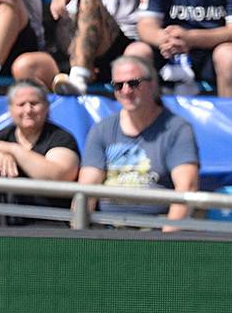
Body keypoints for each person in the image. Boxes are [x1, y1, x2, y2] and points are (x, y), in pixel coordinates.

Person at [77, 55, 200, 226]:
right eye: (118, 85)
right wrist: (78, 235)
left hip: (156, 232)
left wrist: (168, 242)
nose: (126, 91)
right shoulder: (101, 130)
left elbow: (186, 190)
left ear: (152, 84)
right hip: (106, 229)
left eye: (133, 83)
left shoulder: (178, 129)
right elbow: (86, 190)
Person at [0, 79, 80, 225]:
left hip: (43, 218)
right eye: (21, 105)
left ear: (46, 107)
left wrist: (13, 149)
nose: (28, 110)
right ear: (10, 110)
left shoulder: (60, 138)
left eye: (34, 103)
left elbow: (58, 177)